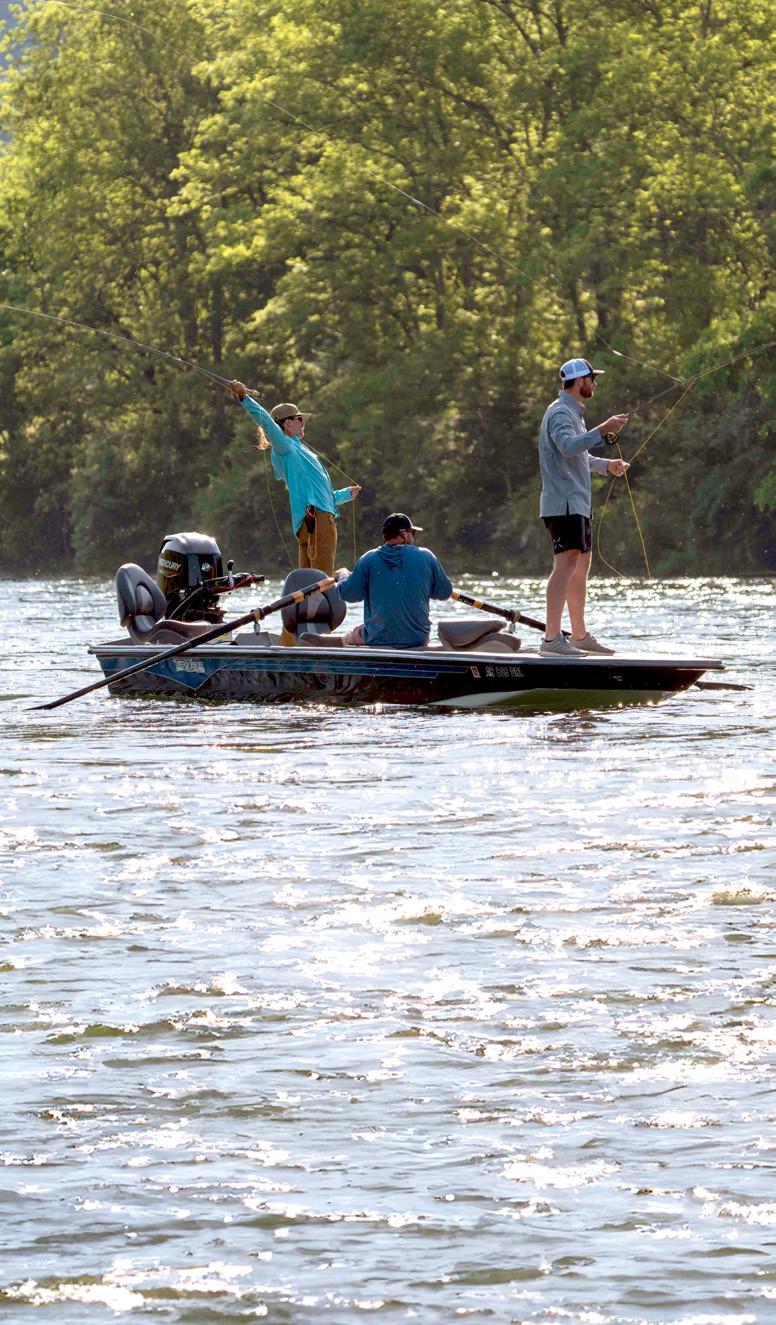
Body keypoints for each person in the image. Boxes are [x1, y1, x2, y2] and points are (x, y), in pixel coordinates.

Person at [538, 357, 630, 656]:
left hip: (577, 503)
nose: (595, 383)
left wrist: (607, 465)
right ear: (580, 381)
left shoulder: (573, 413)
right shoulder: (559, 412)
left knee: (580, 567)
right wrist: (603, 429)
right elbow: (567, 447)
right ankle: (551, 640)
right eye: (593, 378)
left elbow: (579, 455)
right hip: (563, 504)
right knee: (565, 566)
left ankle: (579, 636)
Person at [226, 381, 360, 578]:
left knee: (309, 581)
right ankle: (337, 583)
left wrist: (346, 494)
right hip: (318, 521)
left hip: (310, 522)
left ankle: (322, 592)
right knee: (321, 579)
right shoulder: (286, 447)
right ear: (287, 423)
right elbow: (267, 422)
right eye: (299, 419)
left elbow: (317, 493)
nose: (303, 423)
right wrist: (244, 397)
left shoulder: (296, 449)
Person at [336, 513, 453, 649]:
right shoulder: (427, 556)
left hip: (377, 638)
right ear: (403, 534)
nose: (413, 536)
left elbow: (348, 594)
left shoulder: (367, 559)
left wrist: (343, 576)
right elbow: (444, 593)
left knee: (348, 636)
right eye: (412, 532)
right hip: (418, 639)